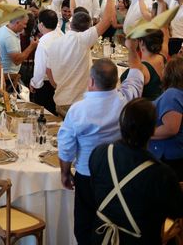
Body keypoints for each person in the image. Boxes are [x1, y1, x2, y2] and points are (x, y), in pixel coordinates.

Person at [57, 44, 144, 245]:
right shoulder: (125, 101)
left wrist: (64, 173)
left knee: (85, 225)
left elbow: (66, 145)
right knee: (113, 222)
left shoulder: (79, 110)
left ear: (91, 81)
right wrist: (132, 49)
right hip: (118, 174)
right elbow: (136, 76)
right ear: (116, 82)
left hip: (87, 174)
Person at [89, 99, 183, 244]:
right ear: (153, 131)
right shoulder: (162, 174)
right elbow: (176, 212)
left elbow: (95, 190)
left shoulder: (100, 153)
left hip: (100, 238)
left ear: (121, 124)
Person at [48, 0, 120, 117]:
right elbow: (107, 20)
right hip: (76, 102)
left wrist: (60, 86)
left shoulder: (55, 43)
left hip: (60, 99)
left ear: (71, 24)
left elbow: (48, 70)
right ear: (88, 29)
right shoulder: (82, 40)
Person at [149, 55, 183, 180]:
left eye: (164, 68)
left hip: (169, 157)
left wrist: (144, 133)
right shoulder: (177, 93)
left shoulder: (172, 94)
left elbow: (171, 128)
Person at [29, 9, 62, 115]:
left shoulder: (43, 42)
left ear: (41, 24)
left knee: (45, 115)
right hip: (61, 80)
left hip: (46, 84)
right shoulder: (61, 35)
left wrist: (34, 83)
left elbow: (40, 67)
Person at [0, 14, 37, 93]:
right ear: (17, 23)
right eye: (24, 24)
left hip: (6, 73)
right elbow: (17, 61)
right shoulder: (9, 37)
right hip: (8, 77)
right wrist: (31, 46)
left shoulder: (4, 28)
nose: (25, 26)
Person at [120, 31, 166, 101]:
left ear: (141, 43)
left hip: (144, 109)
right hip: (159, 105)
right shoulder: (162, 57)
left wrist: (131, 48)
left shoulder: (141, 68)